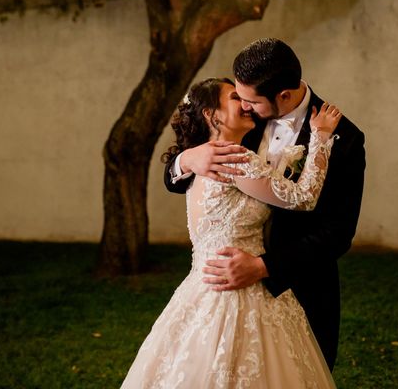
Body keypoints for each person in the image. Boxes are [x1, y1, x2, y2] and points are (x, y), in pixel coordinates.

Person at [121, 77, 341, 388]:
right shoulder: (235, 158)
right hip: (241, 291)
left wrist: (188, 156)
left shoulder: (207, 156)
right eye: (235, 98)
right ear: (212, 115)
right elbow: (302, 197)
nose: (246, 104)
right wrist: (320, 138)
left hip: (204, 287)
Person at [164, 38, 366, 369]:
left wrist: (263, 266)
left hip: (300, 284)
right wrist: (187, 158)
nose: (244, 106)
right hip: (222, 291)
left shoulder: (345, 139)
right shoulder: (238, 118)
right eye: (239, 98)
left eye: (250, 102)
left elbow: (337, 232)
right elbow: (173, 178)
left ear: (283, 96)